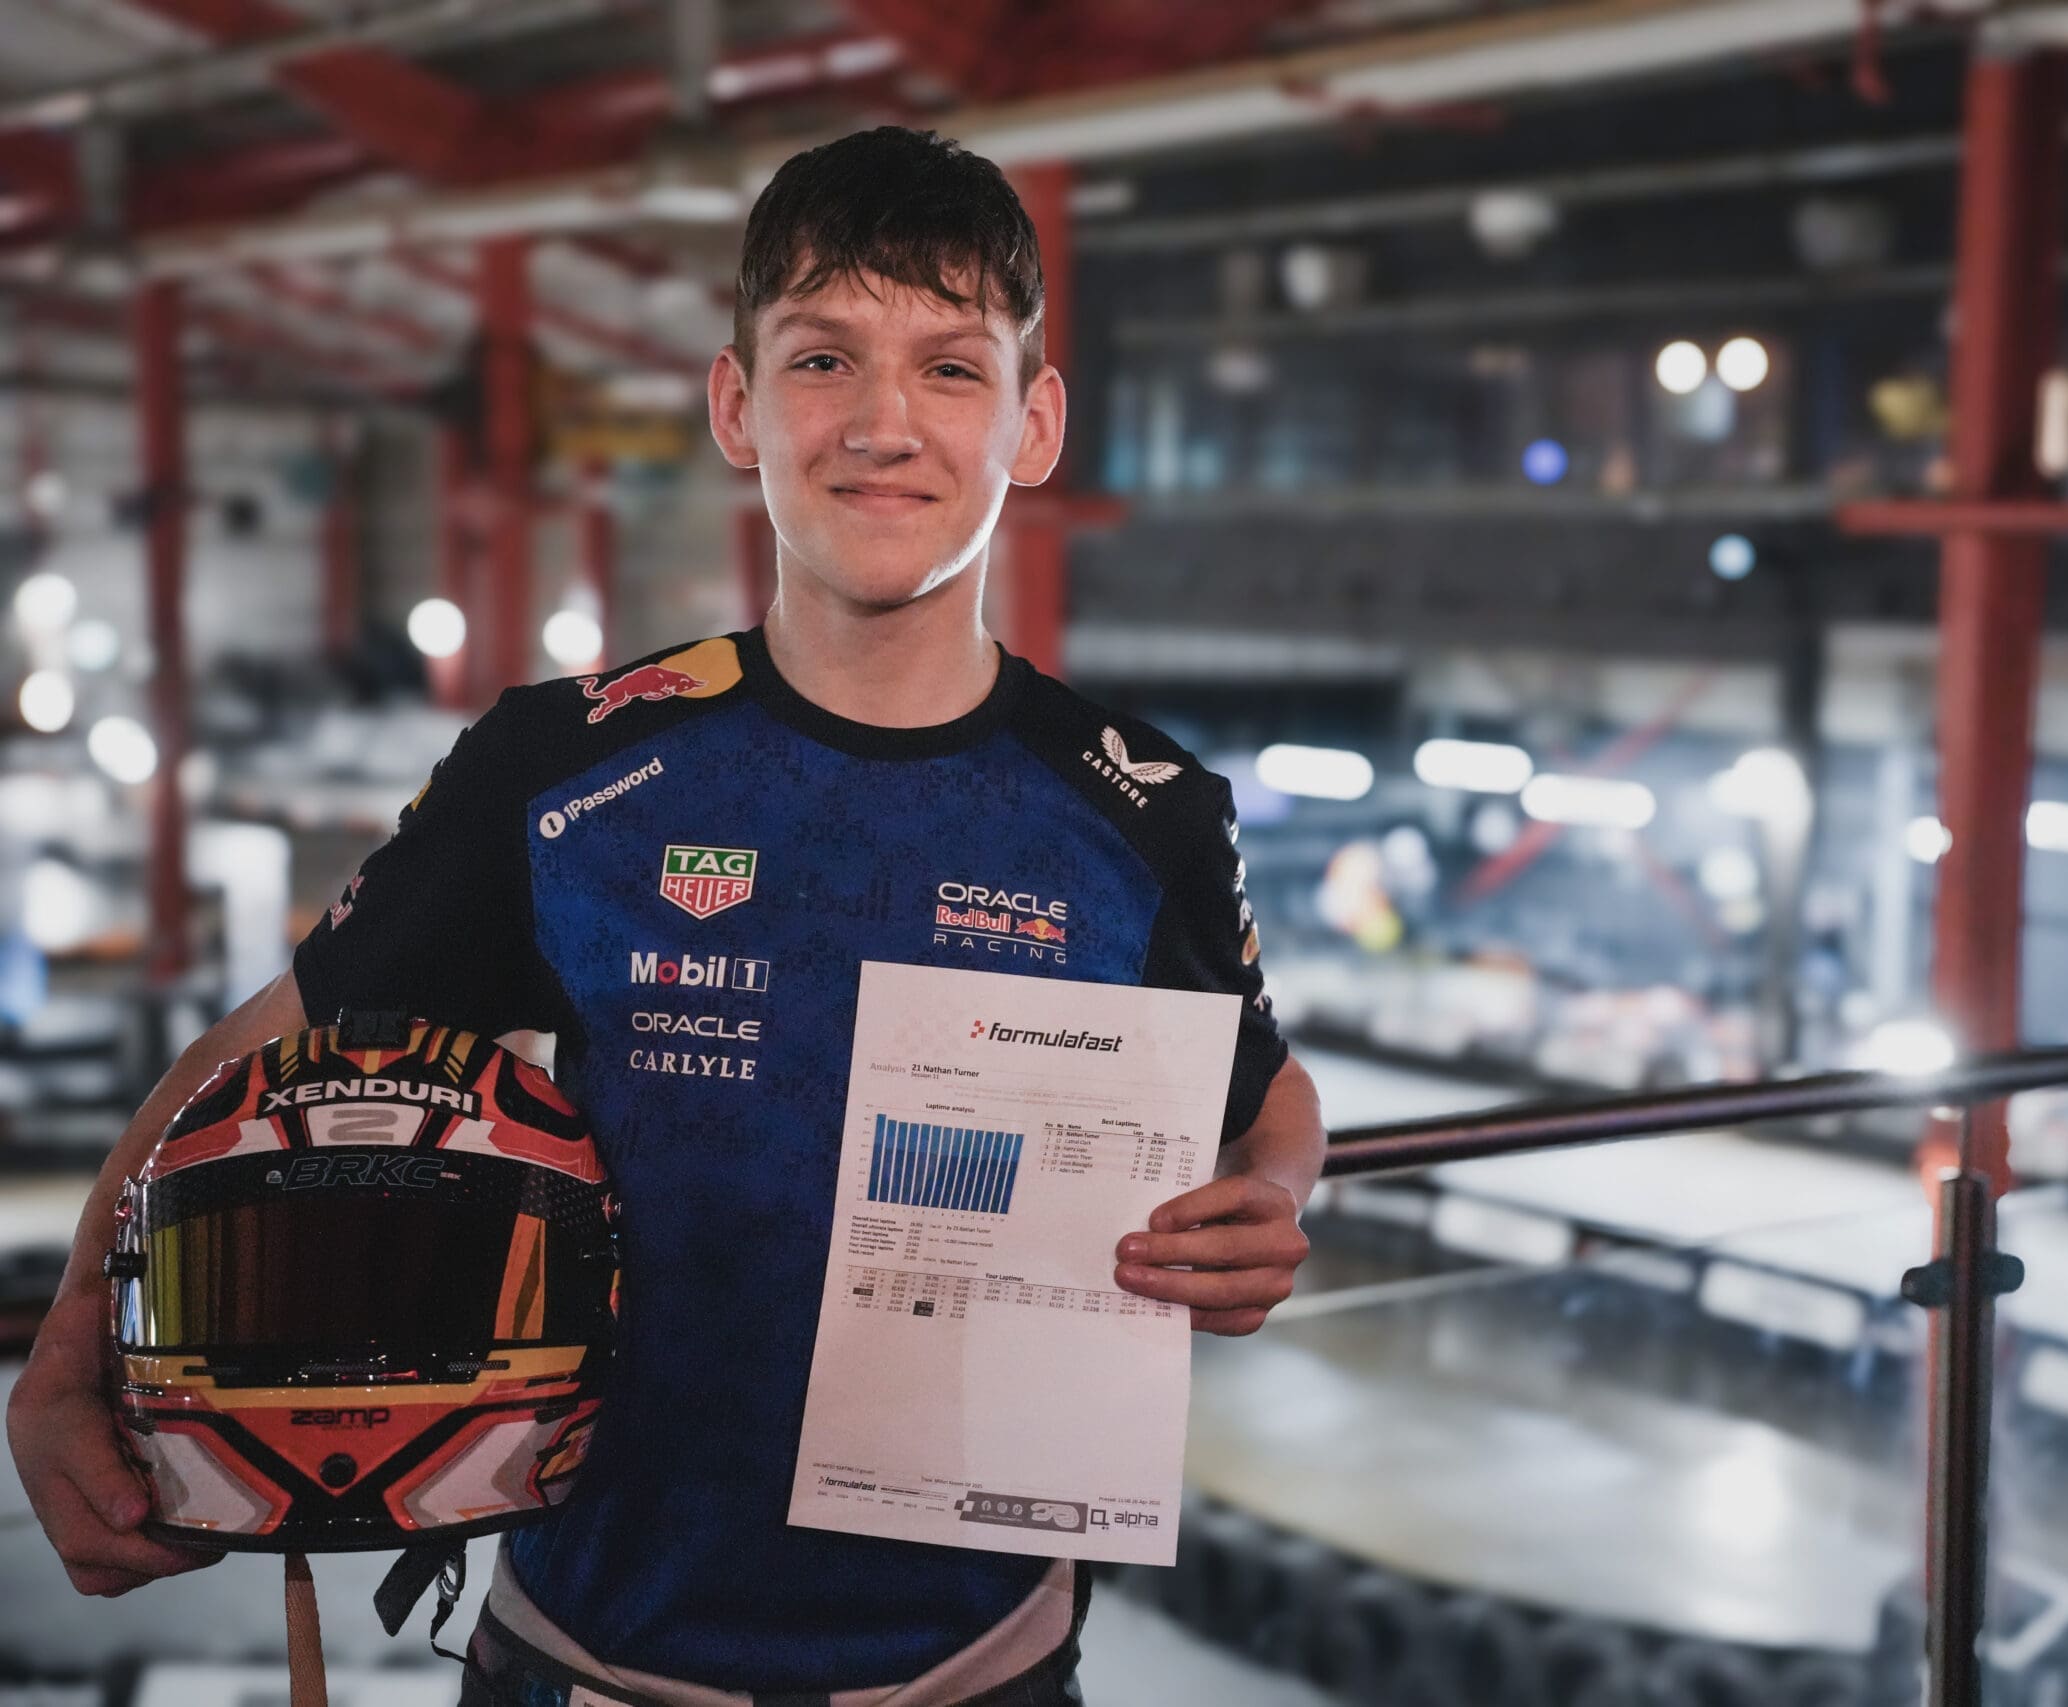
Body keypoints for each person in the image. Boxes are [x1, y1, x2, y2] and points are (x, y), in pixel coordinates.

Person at [6, 124, 1326, 1705]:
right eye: (823, 360)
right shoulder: (565, 771)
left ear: (1032, 424)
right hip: (585, 1660)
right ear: (736, 406)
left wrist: (1272, 1198)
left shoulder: (1141, 807)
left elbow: (1265, 1089)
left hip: (984, 1669)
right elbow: (257, 1056)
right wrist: (69, 1351)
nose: (884, 425)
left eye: (951, 369)